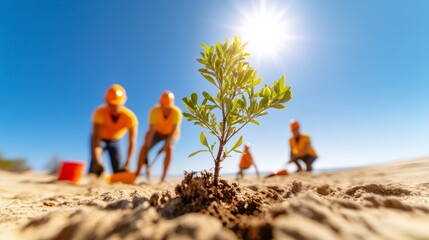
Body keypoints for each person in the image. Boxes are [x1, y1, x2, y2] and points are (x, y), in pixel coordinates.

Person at [88, 84, 138, 177]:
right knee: (94, 167)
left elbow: (132, 142)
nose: (114, 107)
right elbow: (96, 140)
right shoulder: (99, 112)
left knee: (118, 171)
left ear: (123, 102)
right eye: (111, 104)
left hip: (115, 141)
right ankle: (93, 172)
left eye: (116, 104)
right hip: (100, 139)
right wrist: (97, 162)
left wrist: (128, 161)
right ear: (106, 101)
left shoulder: (130, 118)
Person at [135, 90, 182, 184]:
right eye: (164, 107)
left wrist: (165, 146)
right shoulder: (154, 111)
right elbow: (151, 131)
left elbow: (173, 133)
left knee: (169, 148)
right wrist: (147, 149)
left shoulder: (176, 112)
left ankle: (163, 178)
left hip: (170, 134)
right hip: (157, 133)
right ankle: (137, 174)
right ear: (161, 104)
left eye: (168, 107)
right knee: (143, 148)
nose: (166, 109)